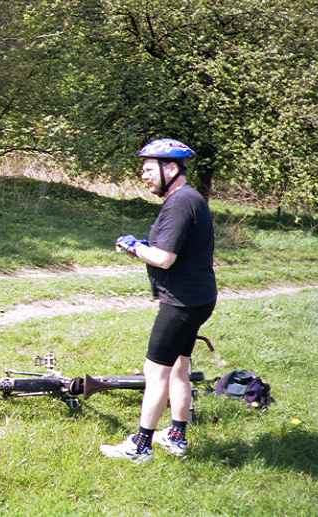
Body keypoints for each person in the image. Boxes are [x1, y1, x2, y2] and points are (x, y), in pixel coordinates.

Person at [100, 138, 217, 463]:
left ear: (172, 168)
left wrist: (133, 246)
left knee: (155, 371)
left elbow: (164, 258)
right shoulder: (190, 199)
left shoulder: (180, 203)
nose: (144, 176)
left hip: (181, 304)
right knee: (180, 366)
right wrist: (142, 247)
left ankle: (141, 446)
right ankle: (177, 436)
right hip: (198, 299)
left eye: (149, 169)